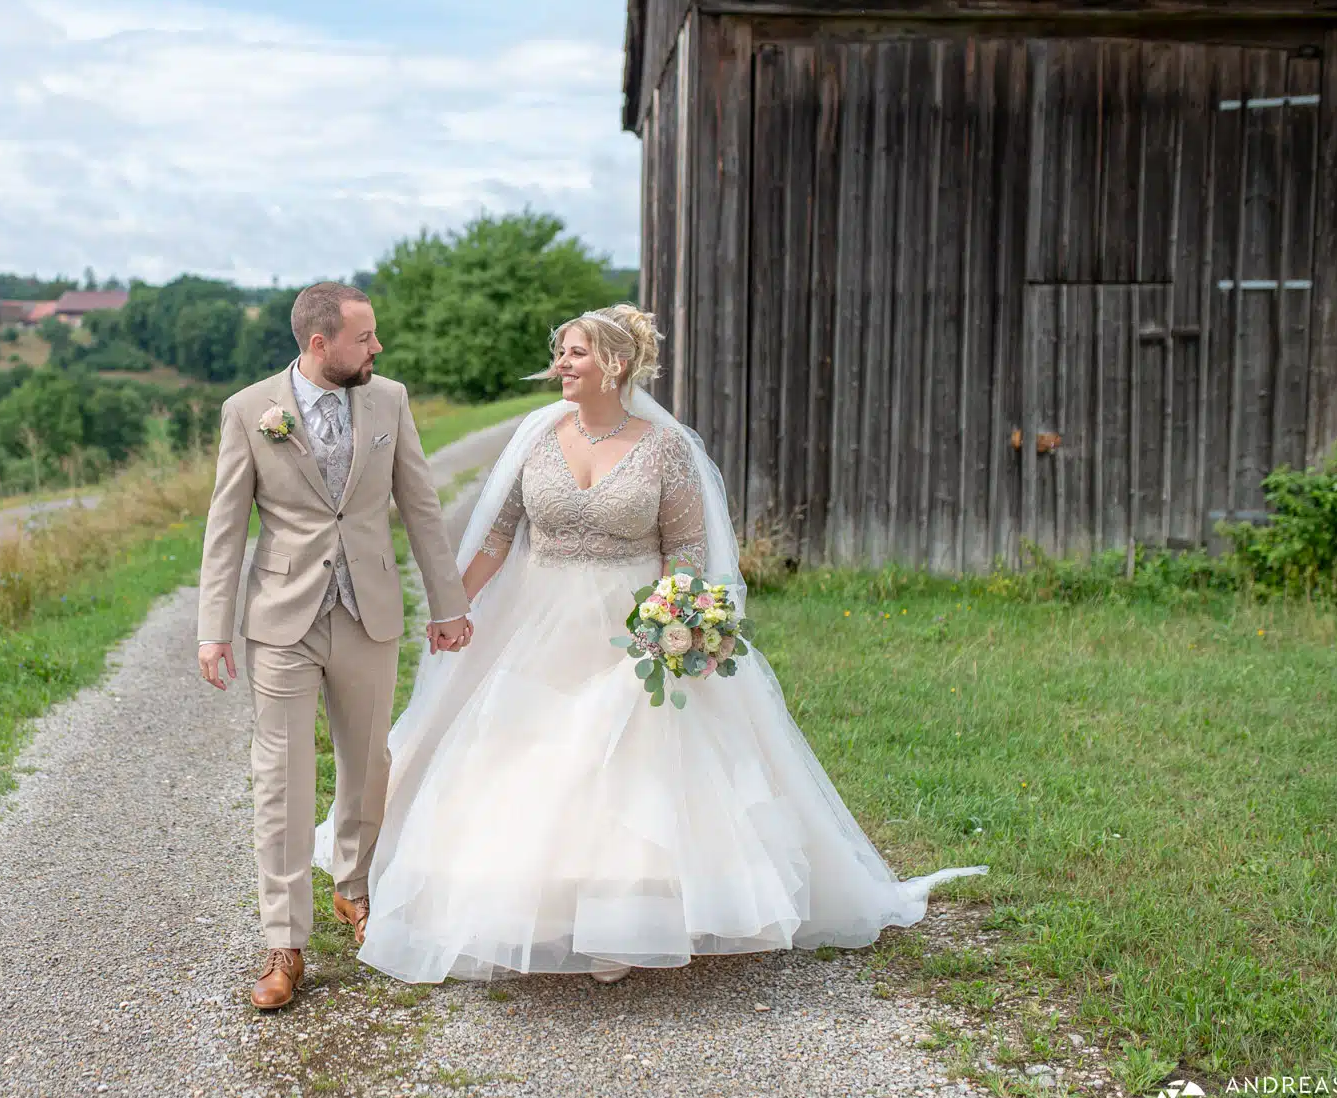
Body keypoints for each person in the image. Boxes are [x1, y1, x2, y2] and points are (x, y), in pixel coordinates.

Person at [319, 304, 986, 985]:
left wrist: (676, 623)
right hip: (540, 622)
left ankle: (630, 911)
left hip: (632, 625)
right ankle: (529, 903)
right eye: (561, 352)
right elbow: (497, 535)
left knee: (630, 761)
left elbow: (687, 549)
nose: (561, 365)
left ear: (614, 363)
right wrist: (453, 603)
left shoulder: (665, 450)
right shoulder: (538, 436)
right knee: (525, 749)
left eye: (575, 353)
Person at [197, 281, 474, 1011]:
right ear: (319, 345)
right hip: (282, 618)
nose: (377, 348)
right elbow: (226, 528)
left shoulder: (390, 401)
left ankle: (355, 893)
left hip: (368, 611)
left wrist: (448, 602)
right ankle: (284, 940)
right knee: (280, 778)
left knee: (367, 762)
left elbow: (419, 503)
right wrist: (212, 627)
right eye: (364, 337)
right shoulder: (249, 411)